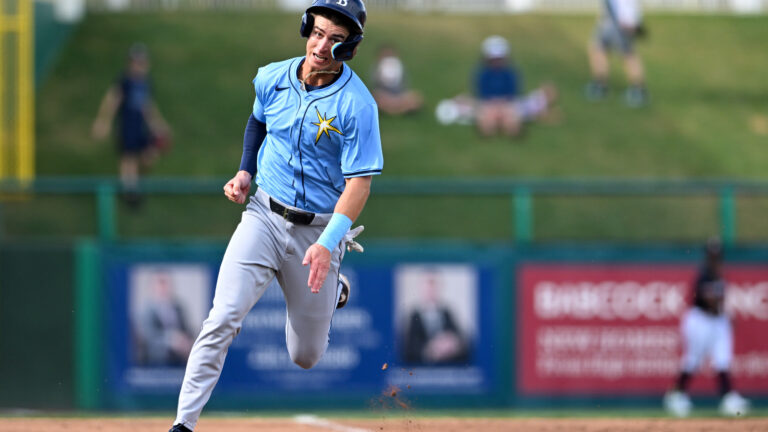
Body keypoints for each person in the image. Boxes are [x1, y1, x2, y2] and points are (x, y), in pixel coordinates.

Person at [169, 1, 381, 431]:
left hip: (318, 232)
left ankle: (333, 284)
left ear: (351, 47)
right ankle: (183, 424)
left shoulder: (358, 105)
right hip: (263, 215)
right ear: (306, 28)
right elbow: (257, 121)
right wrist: (245, 170)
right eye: (317, 32)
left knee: (306, 357)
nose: (322, 46)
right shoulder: (272, 77)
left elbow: (359, 183)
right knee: (223, 316)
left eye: (336, 39)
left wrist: (327, 243)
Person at [664, 238, 750, 417]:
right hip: (700, 320)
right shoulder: (703, 275)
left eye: (717, 255)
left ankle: (728, 398)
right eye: (712, 255)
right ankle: (676, 395)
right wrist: (722, 311)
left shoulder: (719, 274)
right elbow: (709, 301)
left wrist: (727, 315)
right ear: (707, 256)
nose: (715, 258)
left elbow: (720, 301)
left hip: (717, 321)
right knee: (693, 359)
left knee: (723, 359)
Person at [92, 43, 172, 208]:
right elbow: (112, 100)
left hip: (140, 127)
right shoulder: (125, 81)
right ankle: (130, 191)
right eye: (136, 62)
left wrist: (158, 125)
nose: (139, 66)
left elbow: (148, 107)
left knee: (149, 154)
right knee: (128, 158)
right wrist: (103, 122)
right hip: (127, 126)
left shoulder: (146, 83)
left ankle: (135, 184)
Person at [473, 35, 557, 138]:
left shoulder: (510, 73)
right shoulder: (483, 74)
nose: (496, 61)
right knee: (488, 119)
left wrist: (503, 104)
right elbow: (483, 93)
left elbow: (512, 92)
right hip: (490, 103)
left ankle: (510, 129)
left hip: (506, 103)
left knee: (511, 119)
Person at [585, 0, 649, 107]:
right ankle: (600, 85)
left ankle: (639, 90)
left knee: (628, 55)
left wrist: (631, 21)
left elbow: (627, 4)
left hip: (621, 22)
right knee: (598, 48)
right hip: (611, 21)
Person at [402, 273, 470, 365]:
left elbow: (459, 338)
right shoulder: (414, 315)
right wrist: (430, 350)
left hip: (448, 367)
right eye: (427, 288)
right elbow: (409, 346)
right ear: (421, 289)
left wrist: (451, 344)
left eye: (433, 288)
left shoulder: (447, 312)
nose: (431, 291)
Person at [135, 271, 195, 367]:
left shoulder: (179, 308)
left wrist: (187, 342)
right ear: (152, 287)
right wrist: (171, 340)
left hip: (180, 364)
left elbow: (188, 330)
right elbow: (149, 337)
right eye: (160, 283)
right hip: (156, 365)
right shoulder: (146, 311)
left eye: (166, 283)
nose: (163, 288)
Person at [370, 44, 423, 115]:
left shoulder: (400, 67)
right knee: (375, 98)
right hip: (384, 96)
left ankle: (392, 110)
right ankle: (399, 110)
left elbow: (405, 86)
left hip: (399, 96)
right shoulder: (376, 68)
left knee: (416, 97)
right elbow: (375, 86)